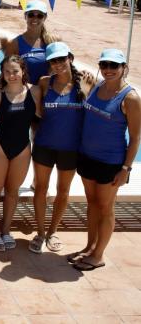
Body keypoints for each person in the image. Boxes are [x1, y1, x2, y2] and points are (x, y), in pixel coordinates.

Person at [72, 49, 140, 271]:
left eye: (114, 65)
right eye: (104, 65)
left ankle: (98, 255)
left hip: (110, 162)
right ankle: (90, 247)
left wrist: (125, 169)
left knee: (105, 208)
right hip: (87, 156)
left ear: (123, 68)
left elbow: (136, 137)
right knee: (92, 204)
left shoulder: (130, 97)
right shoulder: (97, 86)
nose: (108, 69)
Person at [30, 43, 88, 254]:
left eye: (61, 59)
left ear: (70, 58)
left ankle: (53, 232)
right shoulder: (45, 82)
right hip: (44, 145)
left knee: (63, 191)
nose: (58, 64)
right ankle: (40, 232)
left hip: (70, 149)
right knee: (41, 189)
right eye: (53, 61)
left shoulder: (86, 83)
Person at [0, 55, 39, 252]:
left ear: (23, 71)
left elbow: (41, 118)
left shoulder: (35, 91)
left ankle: (6, 229)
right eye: (7, 71)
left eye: (15, 71)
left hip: (22, 147)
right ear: (2, 74)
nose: (11, 75)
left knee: (12, 190)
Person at [4, 0, 57, 85]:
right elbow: (6, 71)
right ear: (25, 16)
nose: (35, 19)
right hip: (25, 91)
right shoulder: (14, 44)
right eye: (31, 15)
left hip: (46, 90)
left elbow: (63, 68)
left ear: (45, 17)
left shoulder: (53, 41)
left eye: (39, 16)